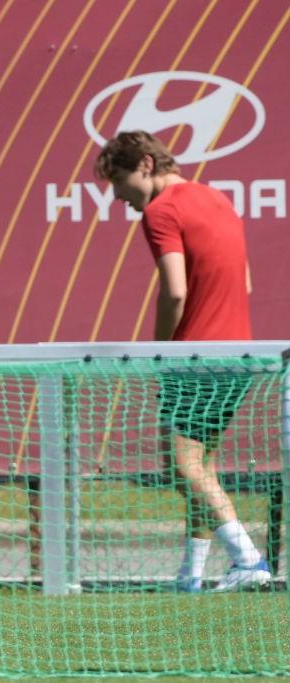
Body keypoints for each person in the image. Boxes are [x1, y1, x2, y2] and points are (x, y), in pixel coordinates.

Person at [94, 130, 270, 592]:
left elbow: (175, 290)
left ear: (146, 166)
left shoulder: (161, 211)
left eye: (119, 181)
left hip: (195, 356)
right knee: (201, 469)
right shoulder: (217, 199)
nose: (118, 196)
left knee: (182, 467)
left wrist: (160, 350)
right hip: (238, 355)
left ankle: (248, 558)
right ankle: (191, 575)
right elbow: (245, 282)